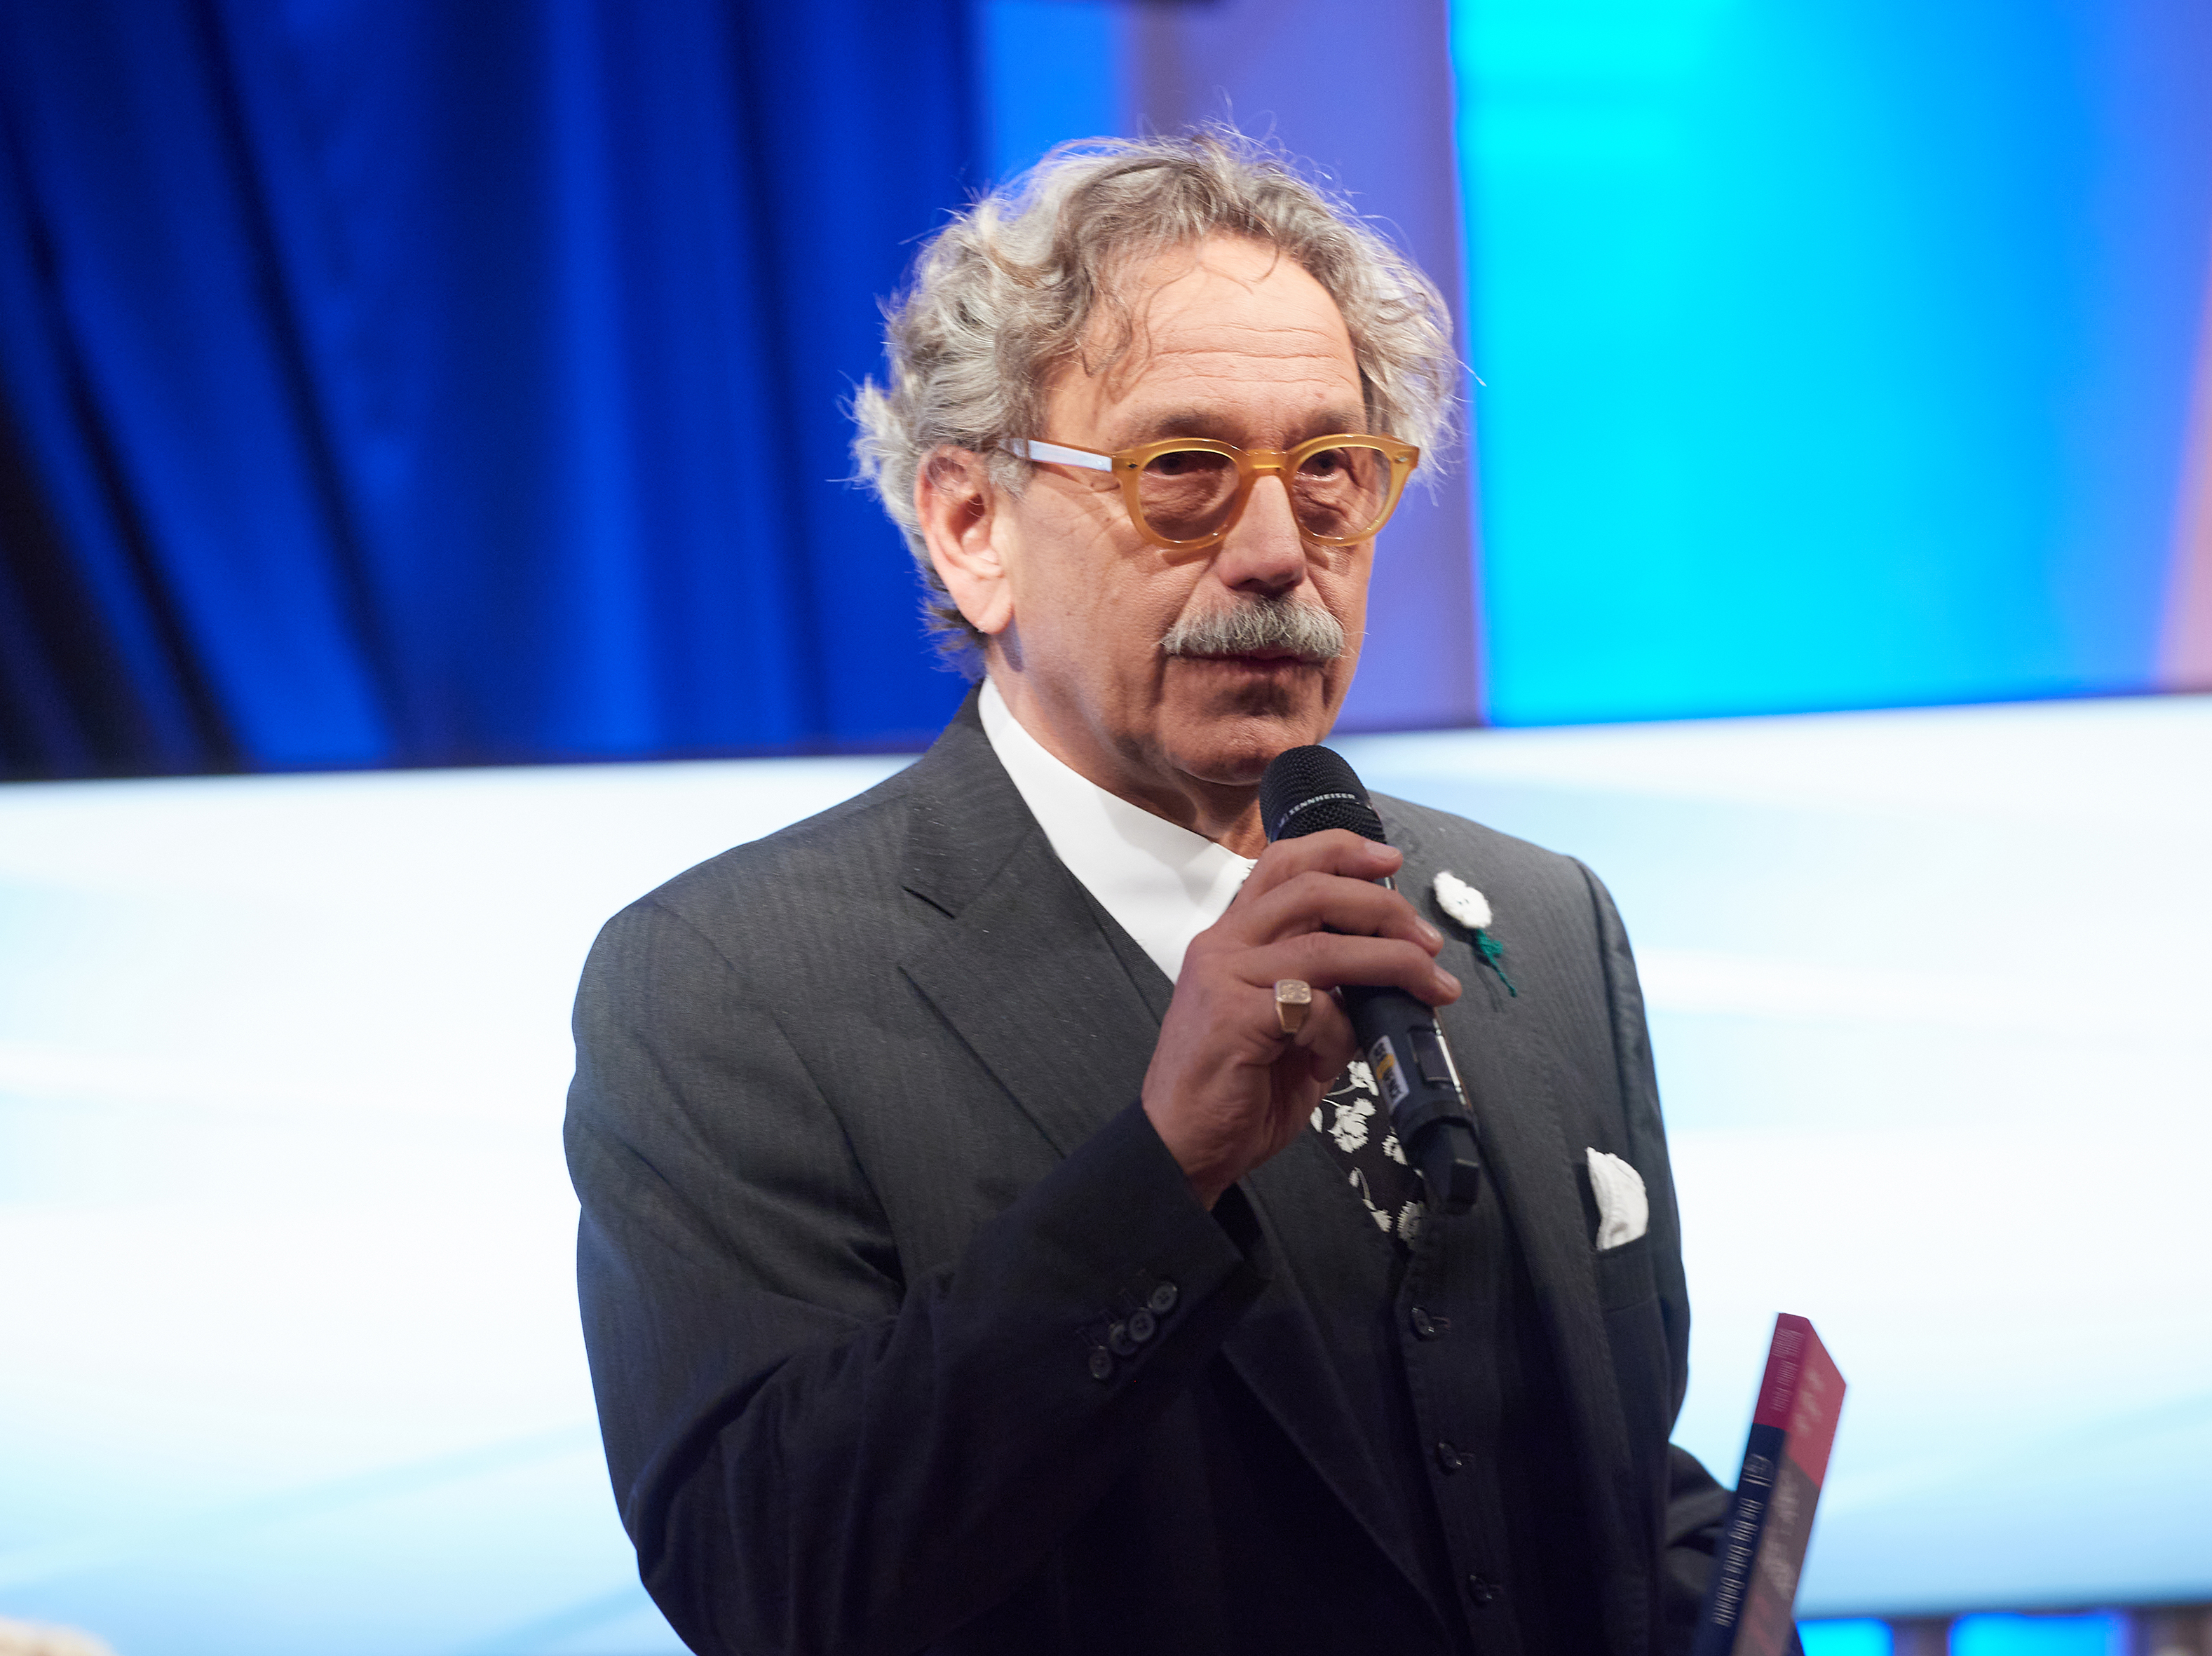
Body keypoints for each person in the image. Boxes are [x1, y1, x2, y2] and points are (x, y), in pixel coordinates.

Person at [566, 130, 1726, 1656]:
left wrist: (1726, 1588)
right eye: (1182, 470)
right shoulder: (729, 985)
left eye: (1331, 470)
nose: (1276, 552)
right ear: (971, 525)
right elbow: (771, 1575)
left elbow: (1592, 1485)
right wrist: (1166, 1164)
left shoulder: (1539, 920)